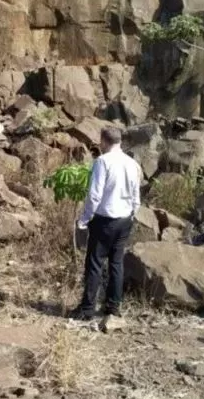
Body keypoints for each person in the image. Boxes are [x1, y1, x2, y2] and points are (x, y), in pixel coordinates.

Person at [70, 127, 142, 321]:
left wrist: (84, 220)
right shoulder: (132, 163)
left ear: (103, 141)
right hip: (125, 219)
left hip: (105, 219)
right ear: (120, 141)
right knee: (116, 264)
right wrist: (132, 214)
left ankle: (87, 309)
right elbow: (136, 194)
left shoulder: (102, 162)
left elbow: (95, 195)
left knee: (94, 263)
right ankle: (113, 307)